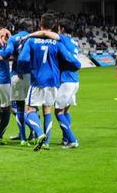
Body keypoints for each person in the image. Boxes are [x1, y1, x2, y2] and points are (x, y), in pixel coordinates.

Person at [18, 14, 81, 151]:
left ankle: (40, 134)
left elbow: (22, 60)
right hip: (54, 81)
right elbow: (74, 62)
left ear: (40, 24)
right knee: (48, 110)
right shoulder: (58, 42)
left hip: (38, 80)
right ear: (54, 26)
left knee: (29, 110)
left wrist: (24, 70)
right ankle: (46, 143)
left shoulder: (31, 41)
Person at [0, 18, 34, 146]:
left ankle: (23, 138)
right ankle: (35, 132)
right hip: (33, 77)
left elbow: (6, 53)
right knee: (32, 108)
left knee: (16, 108)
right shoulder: (34, 38)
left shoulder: (14, 38)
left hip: (17, 76)